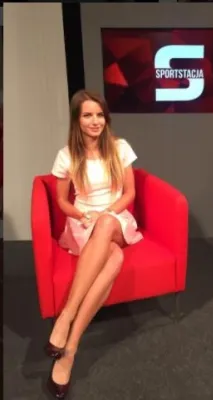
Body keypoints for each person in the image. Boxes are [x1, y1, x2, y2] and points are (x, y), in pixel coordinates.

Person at [45, 89, 143, 398]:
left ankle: (66, 316)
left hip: (115, 219)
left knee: (107, 224)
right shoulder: (67, 155)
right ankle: (70, 350)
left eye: (100, 115)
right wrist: (83, 214)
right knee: (114, 259)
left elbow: (130, 194)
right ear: (77, 119)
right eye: (88, 115)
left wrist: (107, 212)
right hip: (84, 223)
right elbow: (62, 201)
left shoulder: (120, 148)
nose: (95, 121)